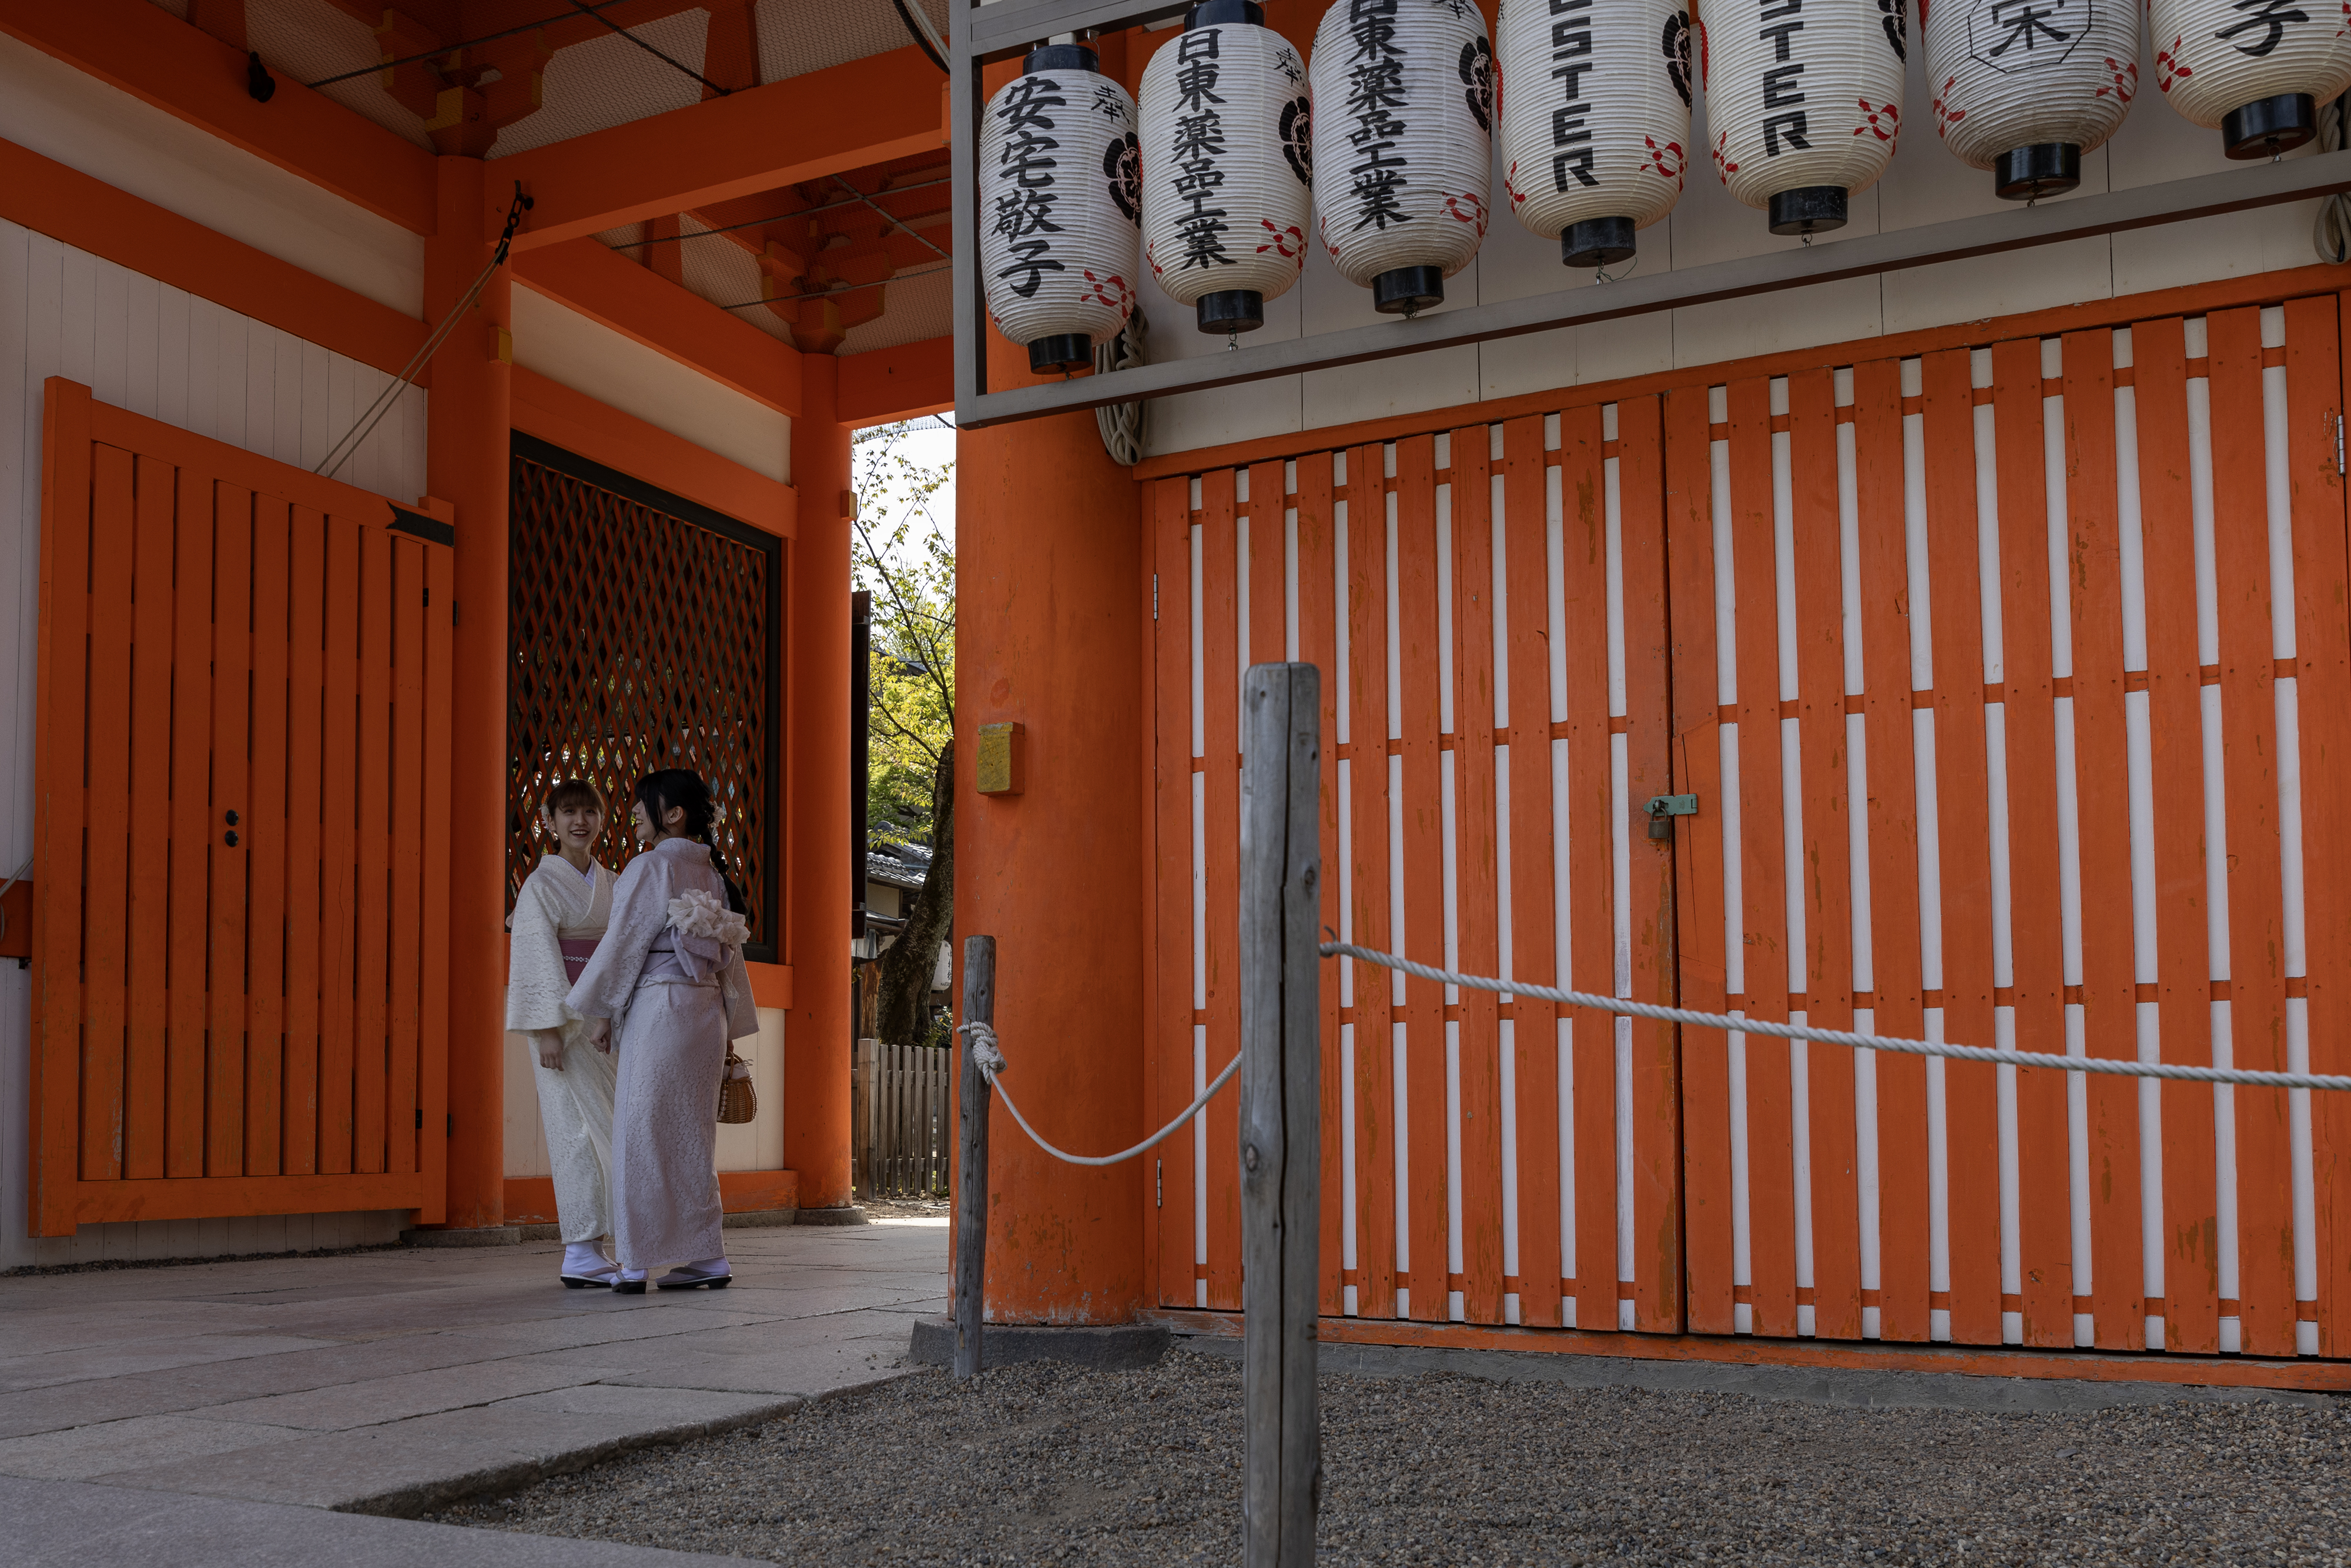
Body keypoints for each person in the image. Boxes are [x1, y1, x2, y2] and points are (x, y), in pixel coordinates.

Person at [565, 768, 759, 1294]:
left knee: (641, 1134)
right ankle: (706, 1256)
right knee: (692, 1138)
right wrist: (732, 1029)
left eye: (642, 804)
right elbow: (730, 966)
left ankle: (635, 1263)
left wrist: (602, 1011)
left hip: (662, 1009)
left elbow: (624, 942)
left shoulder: (649, 867)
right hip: (705, 1014)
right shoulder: (713, 875)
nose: (633, 813)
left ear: (672, 814)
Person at [505, 778, 621, 1288]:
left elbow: (622, 954)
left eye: (589, 813)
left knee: (616, 1128)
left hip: (605, 1023)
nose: (580, 822)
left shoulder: (614, 883)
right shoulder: (541, 884)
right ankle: (580, 1248)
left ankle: (611, 1242)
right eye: (568, 813)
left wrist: (612, 1013)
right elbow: (534, 956)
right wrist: (547, 1028)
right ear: (549, 823)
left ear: (600, 820)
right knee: (572, 1132)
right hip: (563, 1027)